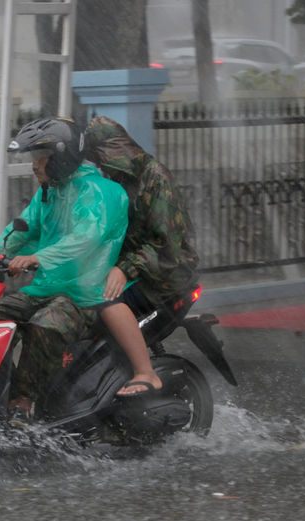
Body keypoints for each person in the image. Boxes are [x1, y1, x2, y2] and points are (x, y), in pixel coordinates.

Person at [0, 117, 128, 418]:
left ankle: (23, 402)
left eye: (40, 158)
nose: (34, 166)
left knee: (44, 325)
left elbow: (87, 238)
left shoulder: (99, 191)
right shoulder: (50, 190)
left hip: (84, 295)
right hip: (46, 288)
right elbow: (22, 230)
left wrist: (39, 258)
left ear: (62, 157)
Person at [83, 116, 200, 397]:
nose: (98, 166)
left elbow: (165, 243)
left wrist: (124, 268)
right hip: (139, 272)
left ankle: (146, 373)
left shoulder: (155, 178)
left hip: (166, 276)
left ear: (112, 150)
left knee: (105, 300)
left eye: (99, 158)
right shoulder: (118, 179)